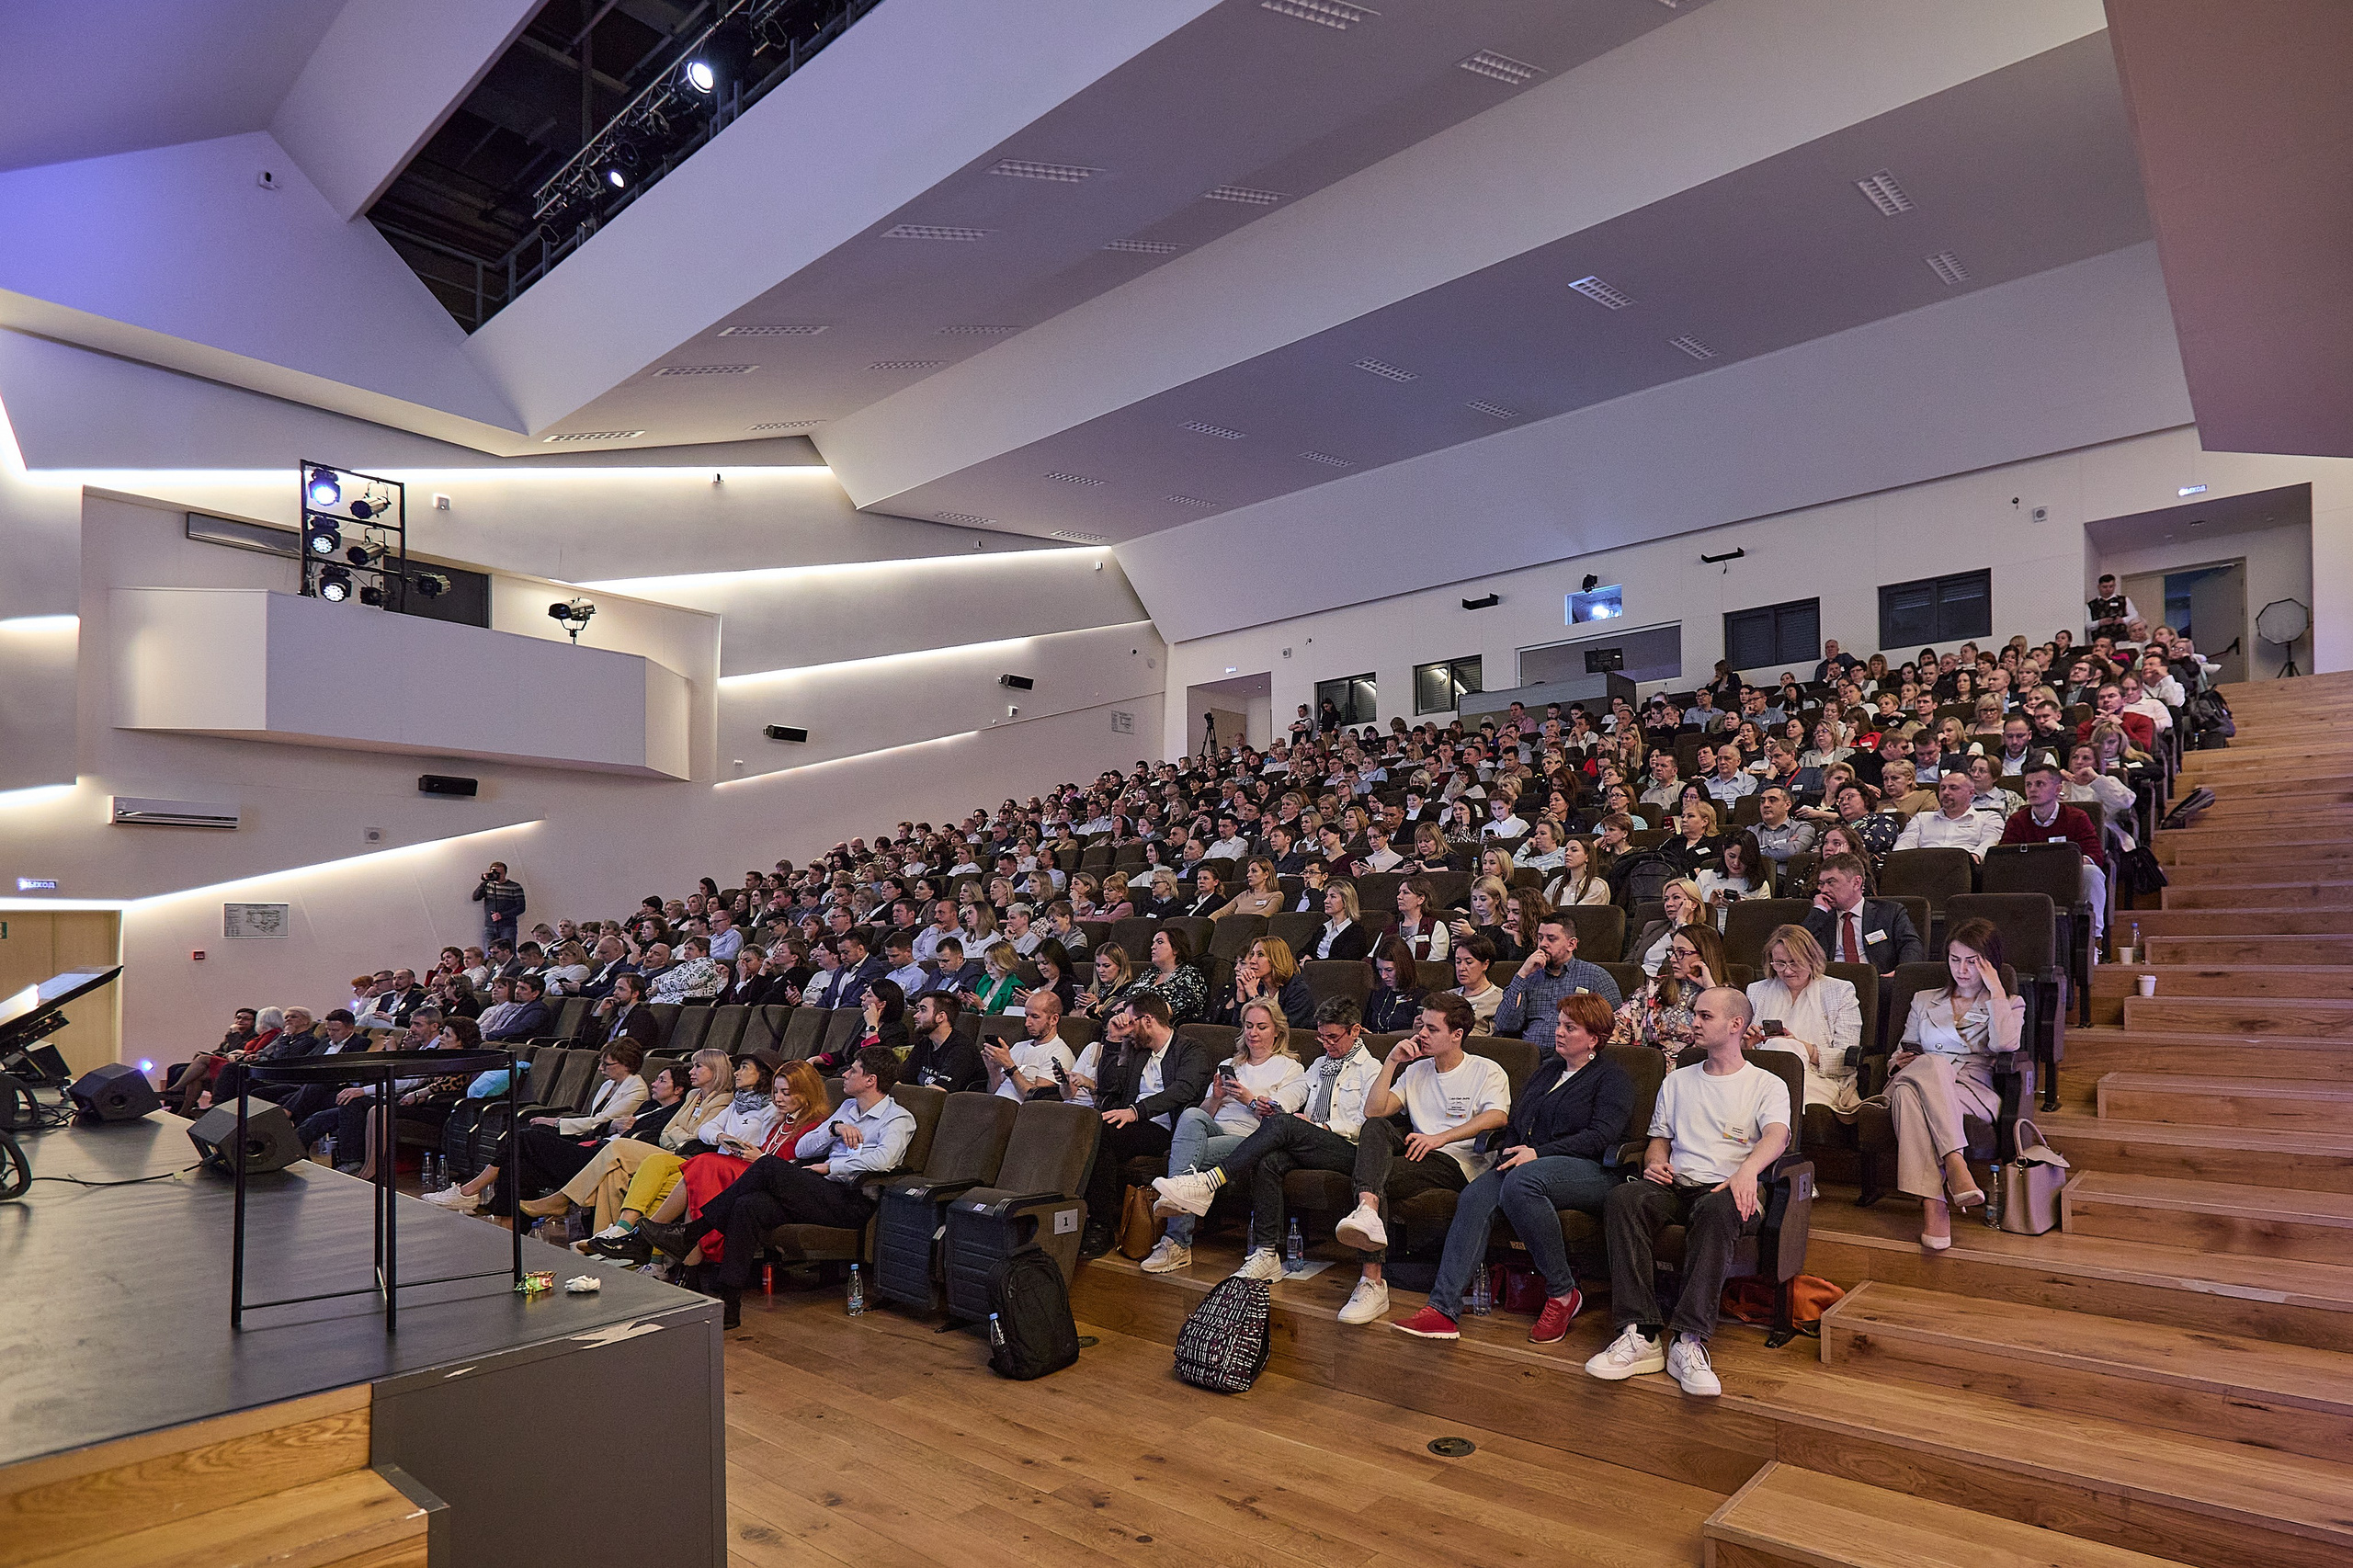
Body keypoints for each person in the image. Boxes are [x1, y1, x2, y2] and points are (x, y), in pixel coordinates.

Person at [1392, 993, 1634, 1342]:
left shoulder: (1611, 1077)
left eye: (1570, 1027)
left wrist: (1538, 1153)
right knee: (1476, 1193)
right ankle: (1442, 1309)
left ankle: (1563, 1293)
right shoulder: (1549, 1068)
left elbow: (1601, 1137)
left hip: (1592, 1170)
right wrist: (1510, 1150)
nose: (1559, 1032)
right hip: (1532, 1165)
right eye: (1559, 1024)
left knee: (1521, 1181)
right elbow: (1518, 1120)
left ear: (1594, 1039)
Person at [1586, 987, 1790, 1398]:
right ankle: (1640, 1332)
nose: (1693, 1022)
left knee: (1719, 1210)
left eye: (1705, 1016)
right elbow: (1660, 1137)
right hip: (1677, 1184)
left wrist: (1747, 1170)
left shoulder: (1767, 1083)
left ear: (1735, 1025)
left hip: (1728, 1188)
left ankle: (1688, 1341)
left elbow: (1777, 1136)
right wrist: (1654, 1160)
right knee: (1624, 1199)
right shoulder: (1677, 1080)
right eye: (1694, 1014)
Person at [654, 1047, 916, 1326]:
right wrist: (833, 1129)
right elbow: (804, 1148)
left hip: (853, 1199)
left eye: (853, 1070)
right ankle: (730, 1305)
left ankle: (694, 1231)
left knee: (766, 1166)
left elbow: (884, 1161)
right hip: (821, 1189)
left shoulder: (898, 1118)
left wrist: (831, 1167)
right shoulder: (847, 1109)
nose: (845, 1074)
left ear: (870, 1080)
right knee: (748, 1205)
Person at [1877, 918, 2022, 1249]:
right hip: (1918, 1075)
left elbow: (2006, 1045)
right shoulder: (1924, 999)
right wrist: (1899, 1061)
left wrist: (1996, 990)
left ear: (1990, 964)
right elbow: (1901, 1052)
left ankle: (1936, 1207)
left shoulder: (2009, 1002)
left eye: (1973, 962)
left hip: (1970, 1089)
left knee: (1907, 1096)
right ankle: (1955, 1163)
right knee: (1924, 1070)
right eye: (1955, 960)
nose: (1963, 969)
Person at [1139, 998, 1308, 1272]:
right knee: (1192, 1115)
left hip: (1251, 1140)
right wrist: (1216, 1098)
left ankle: (1177, 1240)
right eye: (1249, 1026)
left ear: (1277, 1031)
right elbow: (1206, 1114)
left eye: (1262, 1027)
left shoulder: (1291, 1068)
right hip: (1215, 1132)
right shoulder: (1230, 1063)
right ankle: (1178, 1218)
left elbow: (1280, 1121)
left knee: (1185, 1155)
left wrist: (1248, 1099)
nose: (1253, 1033)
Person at [1079, 994, 1212, 1257]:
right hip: (1131, 1121)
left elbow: (1183, 1090)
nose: (1127, 1027)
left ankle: (1100, 1225)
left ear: (1148, 1020)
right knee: (1084, 1129)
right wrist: (1114, 1040)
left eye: (1131, 1022)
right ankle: (1073, 1214)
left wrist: (1135, 1112)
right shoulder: (1138, 1050)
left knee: (1103, 1135)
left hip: (1164, 1128)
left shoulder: (1191, 1049)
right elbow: (1108, 1087)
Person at [1745, 926, 1862, 1116]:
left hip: (1819, 1078)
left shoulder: (1840, 991)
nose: (1788, 971)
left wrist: (1803, 1048)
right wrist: (1747, 1046)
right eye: (1780, 963)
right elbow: (1740, 1053)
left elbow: (1848, 1059)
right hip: (1761, 1075)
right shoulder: (1756, 991)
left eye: (1795, 963)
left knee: (1778, 1091)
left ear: (1811, 959)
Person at [1998, 761, 2110, 939]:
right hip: (2029, 876)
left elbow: (2095, 854)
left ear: (2058, 789)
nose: (2032, 789)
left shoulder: (2077, 817)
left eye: (2040, 784)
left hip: (2067, 874)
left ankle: (2093, 938)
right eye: (2028, 785)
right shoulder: (2017, 820)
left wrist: (2065, 864)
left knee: (2092, 872)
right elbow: (2004, 855)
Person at [1493, 913, 1623, 1045]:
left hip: (1575, 1056)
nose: (1543, 944)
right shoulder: (1529, 976)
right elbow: (1506, 1025)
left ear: (1571, 944)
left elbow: (1615, 1024)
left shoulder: (1596, 976)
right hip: (1531, 1056)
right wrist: (1521, 975)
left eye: (1551, 939)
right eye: (1540, 938)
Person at [1611, 923, 1726, 1063]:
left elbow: (1726, 1036)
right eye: (1672, 951)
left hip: (1695, 1069)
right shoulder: (1656, 987)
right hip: (1648, 1066)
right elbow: (1620, 1019)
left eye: (1682, 952)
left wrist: (1710, 989)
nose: (1672, 959)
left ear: (1704, 955)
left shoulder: (1726, 994)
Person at [1802, 853, 1924, 976]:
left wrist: (1902, 972)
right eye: (1822, 884)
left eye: (1831, 882)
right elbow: (1796, 947)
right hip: (1831, 984)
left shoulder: (1890, 912)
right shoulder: (1820, 917)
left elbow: (1911, 944)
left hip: (1878, 982)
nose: (1824, 890)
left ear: (1856, 883)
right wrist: (1819, 911)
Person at [984, 991, 1076, 1101]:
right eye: (1027, 1016)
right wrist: (993, 1070)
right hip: (994, 1106)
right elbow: (993, 1091)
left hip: (1017, 1113)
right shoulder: (1018, 1046)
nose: (1027, 1023)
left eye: (1035, 1017)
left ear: (1054, 1019)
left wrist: (1010, 1067)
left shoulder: (1059, 1052)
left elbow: (1035, 1100)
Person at [1892, 770, 2004, 858]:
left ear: (1971, 793)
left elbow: (1990, 843)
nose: (1945, 792)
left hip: (1965, 868)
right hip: (1923, 868)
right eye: (1942, 788)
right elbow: (1905, 843)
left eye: (1953, 788)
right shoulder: (1922, 818)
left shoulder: (1989, 818)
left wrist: (1976, 856)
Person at [902, 991, 985, 1092]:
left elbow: (938, 1093)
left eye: (923, 1010)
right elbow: (903, 1078)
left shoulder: (962, 1049)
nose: (915, 1015)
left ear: (940, 1017)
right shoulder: (925, 1043)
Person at [1625, 879, 1705, 975]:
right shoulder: (1652, 927)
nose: (1668, 904)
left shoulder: (1703, 934)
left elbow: (1682, 962)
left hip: (1670, 982)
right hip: (1639, 980)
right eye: (1666, 899)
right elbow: (1630, 960)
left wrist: (1681, 921)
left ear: (1693, 904)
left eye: (1676, 897)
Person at [1137, 927, 1210, 1024]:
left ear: (1176, 949)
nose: (1153, 947)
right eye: (1153, 943)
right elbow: (1127, 996)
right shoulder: (1150, 973)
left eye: (1159, 942)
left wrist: (1135, 1009)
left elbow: (1186, 1005)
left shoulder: (1189, 974)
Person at [1308, 881, 1372, 962]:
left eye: (1333, 897)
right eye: (1327, 896)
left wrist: (1310, 963)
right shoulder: (1323, 928)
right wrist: (1306, 957)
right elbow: (1303, 951)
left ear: (1346, 902)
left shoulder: (1356, 932)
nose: (1326, 901)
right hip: (1312, 972)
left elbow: (1344, 960)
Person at [1392, 877, 1453, 960]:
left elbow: (1436, 964)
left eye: (1405, 893)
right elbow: (1372, 958)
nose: (1399, 897)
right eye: (1399, 893)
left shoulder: (1435, 927)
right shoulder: (1390, 930)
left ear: (1421, 899)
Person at [1449, 937, 1504, 1029]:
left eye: (1469, 962)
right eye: (1458, 962)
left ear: (1485, 964)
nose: (1461, 968)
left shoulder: (1500, 1000)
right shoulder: (1448, 996)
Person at [473, 860, 526, 948]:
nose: (496, 875)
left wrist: (502, 915)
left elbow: (521, 907)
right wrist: (485, 882)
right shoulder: (488, 885)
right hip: (489, 925)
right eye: (494, 873)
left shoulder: (514, 886)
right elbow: (476, 897)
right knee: (489, 952)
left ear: (505, 873)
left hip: (507, 926)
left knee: (508, 950)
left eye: (499, 873)